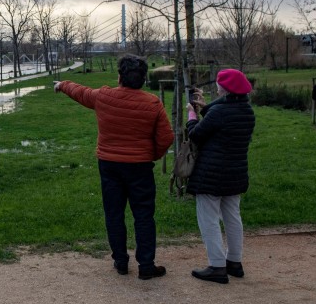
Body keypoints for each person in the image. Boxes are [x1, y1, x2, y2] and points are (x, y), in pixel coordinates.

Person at [55, 54, 174, 280]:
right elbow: (166, 138)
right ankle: (146, 265)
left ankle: (120, 262)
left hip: (109, 166)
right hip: (140, 167)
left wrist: (62, 84)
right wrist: (152, 155)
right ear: (143, 79)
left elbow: (80, 92)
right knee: (144, 216)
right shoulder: (152, 103)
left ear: (119, 76)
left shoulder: (104, 97)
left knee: (114, 214)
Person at [185, 69, 255, 284]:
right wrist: (206, 107)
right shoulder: (246, 111)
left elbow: (196, 134)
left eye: (218, 84)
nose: (216, 87)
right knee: (233, 217)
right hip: (235, 173)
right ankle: (234, 262)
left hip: (211, 173)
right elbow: (220, 122)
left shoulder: (219, 113)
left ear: (224, 88)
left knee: (209, 219)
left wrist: (191, 115)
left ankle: (217, 266)